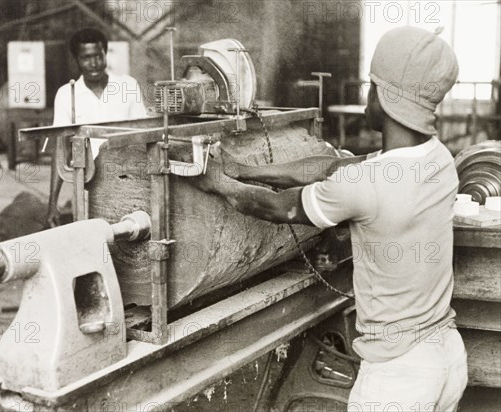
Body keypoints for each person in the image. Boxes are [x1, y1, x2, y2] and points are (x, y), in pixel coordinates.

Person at [194, 26, 467, 411]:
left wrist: (217, 183)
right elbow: (332, 166)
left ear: (381, 97)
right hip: (447, 357)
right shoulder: (439, 159)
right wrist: (244, 170)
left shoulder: (365, 185)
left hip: (399, 377)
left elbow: (279, 208)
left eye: (371, 86)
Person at [47, 28, 147, 226]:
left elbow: (143, 135)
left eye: (98, 56)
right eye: (86, 58)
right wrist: (52, 203)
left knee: (131, 231)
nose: (93, 64)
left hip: (129, 179)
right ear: (76, 59)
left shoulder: (127, 86)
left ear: (105, 54)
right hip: (88, 184)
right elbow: (61, 150)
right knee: (94, 235)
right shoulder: (67, 94)